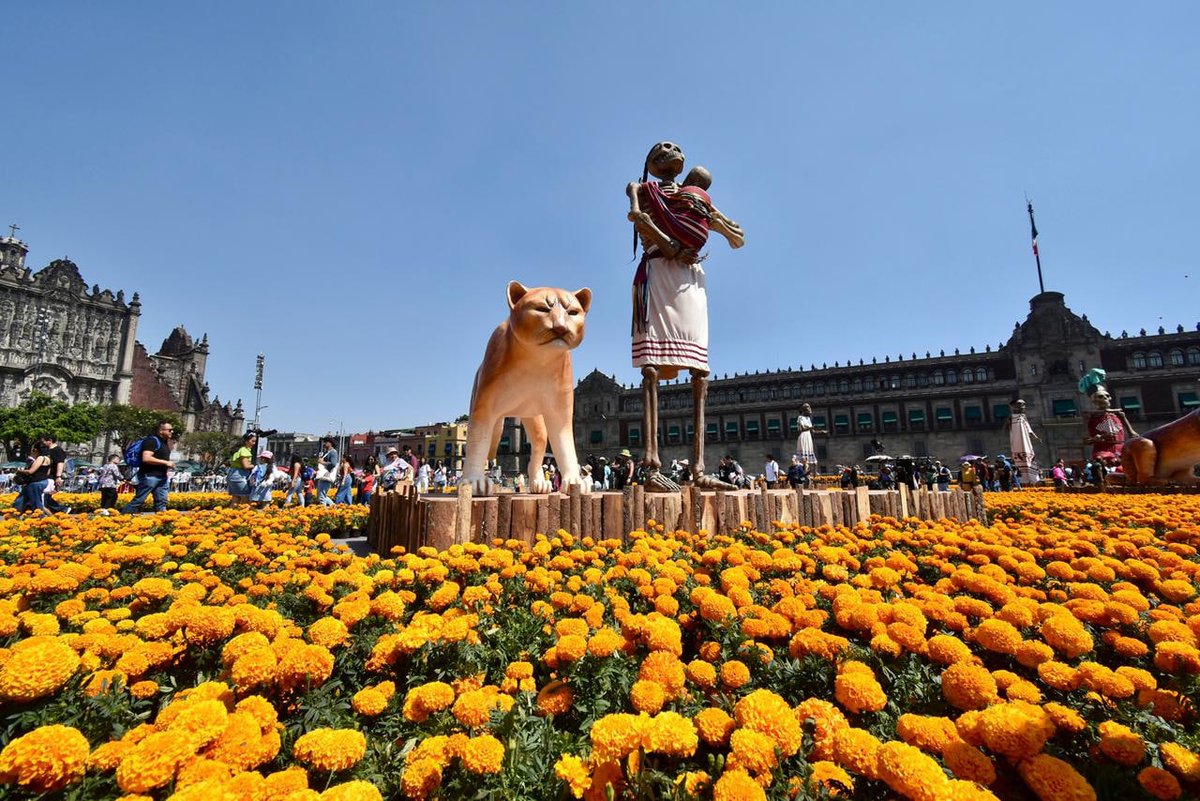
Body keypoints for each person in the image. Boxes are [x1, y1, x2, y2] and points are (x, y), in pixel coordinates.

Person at [627, 141, 745, 491]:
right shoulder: (642, 190)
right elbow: (639, 220)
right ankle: (651, 467)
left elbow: (730, 233)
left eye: (675, 146)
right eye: (662, 148)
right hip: (659, 271)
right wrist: (671, 244)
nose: (670, 148)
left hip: (690, 277)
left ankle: (699, 469)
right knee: (651, 367)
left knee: (700, 370)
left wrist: (721, 225)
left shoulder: (692, 196)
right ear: (650, 162)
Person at [1079, 369, 1138, 468]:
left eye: (1107, 396)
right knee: (1100, 461)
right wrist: (1096, 438)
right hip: (1103, 449)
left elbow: (1132, 432)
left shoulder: (1118, 414)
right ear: (1094, 400)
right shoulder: (1091, 417)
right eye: (1100, 397)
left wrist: (1132, 433)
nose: (1105, 398)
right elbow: (1086, 440)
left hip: (1121, 448)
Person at [122, 421, 176, 514]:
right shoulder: (152, 441)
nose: (172, 432)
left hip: (162, 477)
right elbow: (146, 458)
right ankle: (122, 518)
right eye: (169, 430)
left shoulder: (164, 442)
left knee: (161, 501)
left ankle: (162, 520)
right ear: (161, 430)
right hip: (150, 476)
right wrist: (166, 462)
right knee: (139, 500)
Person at [14, 443, 52, 516]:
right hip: (43, 481)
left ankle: (45, 517)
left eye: (33, 449)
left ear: (36, 450)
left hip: (36, 482)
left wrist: (19, 471)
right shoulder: (48, 459)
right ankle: (15, 513)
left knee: (36, 503)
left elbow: (31, 471)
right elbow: (48, 473)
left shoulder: (40, 458)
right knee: (21, 499)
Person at [39, 435, 71, 514]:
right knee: (45, 495)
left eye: (43, 441)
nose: (42, 443)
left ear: (50, 440)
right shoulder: (46, 450)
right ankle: (61, 509)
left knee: (45, 495)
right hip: (44, 475)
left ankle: (61, 509)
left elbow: (60, 463)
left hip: (51, 476)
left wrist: (58, 476)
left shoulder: (57, 450)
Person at [227, 432, 258, 505]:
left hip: (233, 474)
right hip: (239, 476)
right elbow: (246, 466)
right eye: (252, 441)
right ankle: (244, 512)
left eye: (255, 441)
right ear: (246, 441)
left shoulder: (238, 450)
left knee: (235, 499)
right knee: (245, 500)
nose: (254, 443)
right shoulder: (244, 450)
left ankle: (230, 512)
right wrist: (255, 466)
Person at [794, 403, 824, 474]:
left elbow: (813, 431)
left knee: (810, 455)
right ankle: (804, 471)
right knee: (804, 457)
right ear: (804, 410)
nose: (810, 410)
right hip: (803, 436)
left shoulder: (808, 419)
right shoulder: (800, 418)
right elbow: (802, 429)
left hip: (808, 437)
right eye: (808, 408)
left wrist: (821, 431)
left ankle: (814, 473)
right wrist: (812, 427)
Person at [315, 437, 339, 506]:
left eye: (325, 442)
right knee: (321, 495)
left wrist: (322, 462)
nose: (324, 444)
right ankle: (333, 507)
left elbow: (333, 464)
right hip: (323, 476)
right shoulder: (327, 452)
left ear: (330, 443)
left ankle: (323, 510)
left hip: (327, 475)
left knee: (321, 496)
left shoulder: (333, 452)